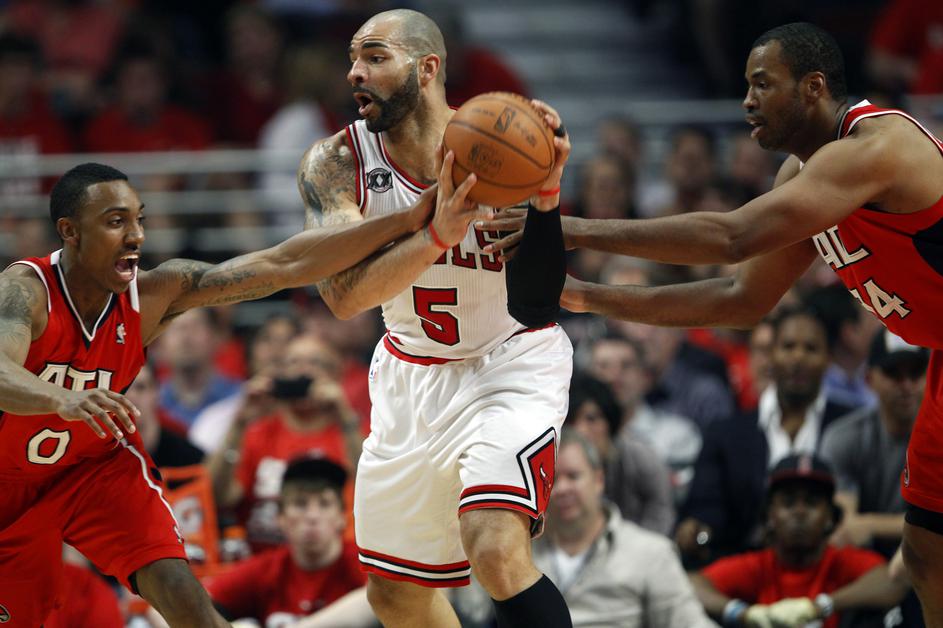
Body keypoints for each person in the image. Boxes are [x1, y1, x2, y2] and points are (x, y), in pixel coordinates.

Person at [485, 21, 943, 623]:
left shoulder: (877, 146)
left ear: (813, 87)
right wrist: (585, 296)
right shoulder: (801, 177)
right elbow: (740, 297)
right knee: (926, 552)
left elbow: (733, 237)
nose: (747, 100)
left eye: (763, 84)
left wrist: (566, 228)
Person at [0, 159, 460, 627]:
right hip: (7, 482)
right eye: (116, 222)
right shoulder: (25, 292)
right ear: (70, 231)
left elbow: (284, 263)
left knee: (187, 600)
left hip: (93, 469)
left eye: (139, 219)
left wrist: (406, 221)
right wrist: (60, 399)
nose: (136, 235)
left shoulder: (154, 294)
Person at [297, 8, 573, 628]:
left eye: (374, 57)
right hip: (410, 374)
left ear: (426, 69)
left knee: (494, 546)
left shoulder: (505, 146)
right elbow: (342, 297)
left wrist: (546, 199)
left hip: (508, 361)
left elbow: (538, 303)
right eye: (352, 59)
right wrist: (435, 237)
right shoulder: (335, 163)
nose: (354, 73)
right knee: (394, 595)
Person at [676, 306, 853, 565]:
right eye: (788, 346)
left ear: (829, 359)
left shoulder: (851, 426)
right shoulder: (726, 434)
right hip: (745, 569)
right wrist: (697, 532)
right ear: (771, 355)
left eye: (811, 348)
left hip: (832, 568)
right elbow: (705, 512)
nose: (798, 358)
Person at [690, 454, 908, 627]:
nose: (799, 512)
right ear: (770, 516)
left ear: (830, 517)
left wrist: (822, 606)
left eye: (812, 503)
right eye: (788, 502)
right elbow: (691, 585)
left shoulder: (841, 561)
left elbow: (894, 581)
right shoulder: (757, 566)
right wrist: (741, 613)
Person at [533, 429, 716, 627]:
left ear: (599, 480)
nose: (561, 489)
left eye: (573, 476)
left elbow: (690, 623)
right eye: (551, 480)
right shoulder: (519, 549)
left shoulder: (650, 553)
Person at [206, 455, 368, 625]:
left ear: (342, 517)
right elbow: (203, 602)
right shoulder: (267, 570)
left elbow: (376, 600)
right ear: (280, 518)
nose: (312, 516)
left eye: (325, 504)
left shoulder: (364, 565)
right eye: (300, 504)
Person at [821, 328, 928, 558]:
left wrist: (870, 524)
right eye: (893, 374)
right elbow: (844, 522)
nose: (906, 385)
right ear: (869, 379)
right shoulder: (845, 436)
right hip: (863, 561)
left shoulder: (936, 439)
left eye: (915, 373)